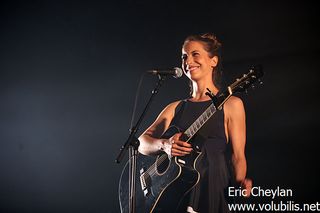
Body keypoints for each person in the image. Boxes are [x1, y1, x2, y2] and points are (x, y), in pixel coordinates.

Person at [138, 33, 252, 213]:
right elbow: (141, 143)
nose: (188, 60)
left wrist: (240, 184)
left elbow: (238, 156)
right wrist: (165, 145)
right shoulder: (175, 107)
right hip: (178, 193)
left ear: (213, 61)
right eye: (184, 56)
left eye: (195, 54)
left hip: (214, 187)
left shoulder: (232, 104)